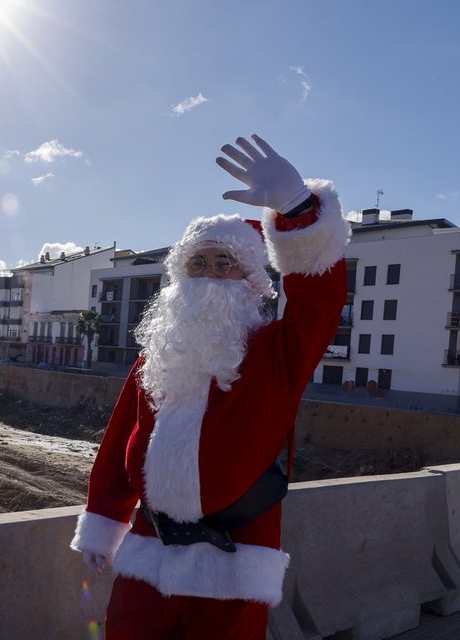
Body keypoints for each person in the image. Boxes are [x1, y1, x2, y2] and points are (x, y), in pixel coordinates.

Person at [70, 134, 350, 639]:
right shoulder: (155, 356)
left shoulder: (275, 353)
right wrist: (104, 518)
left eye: (225, 264)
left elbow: (320, 301)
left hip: (236, 556)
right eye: (197, 264)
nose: (208, 275)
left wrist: (297, 210)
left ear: (251, 282)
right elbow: (118, 445)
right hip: (148, 547)